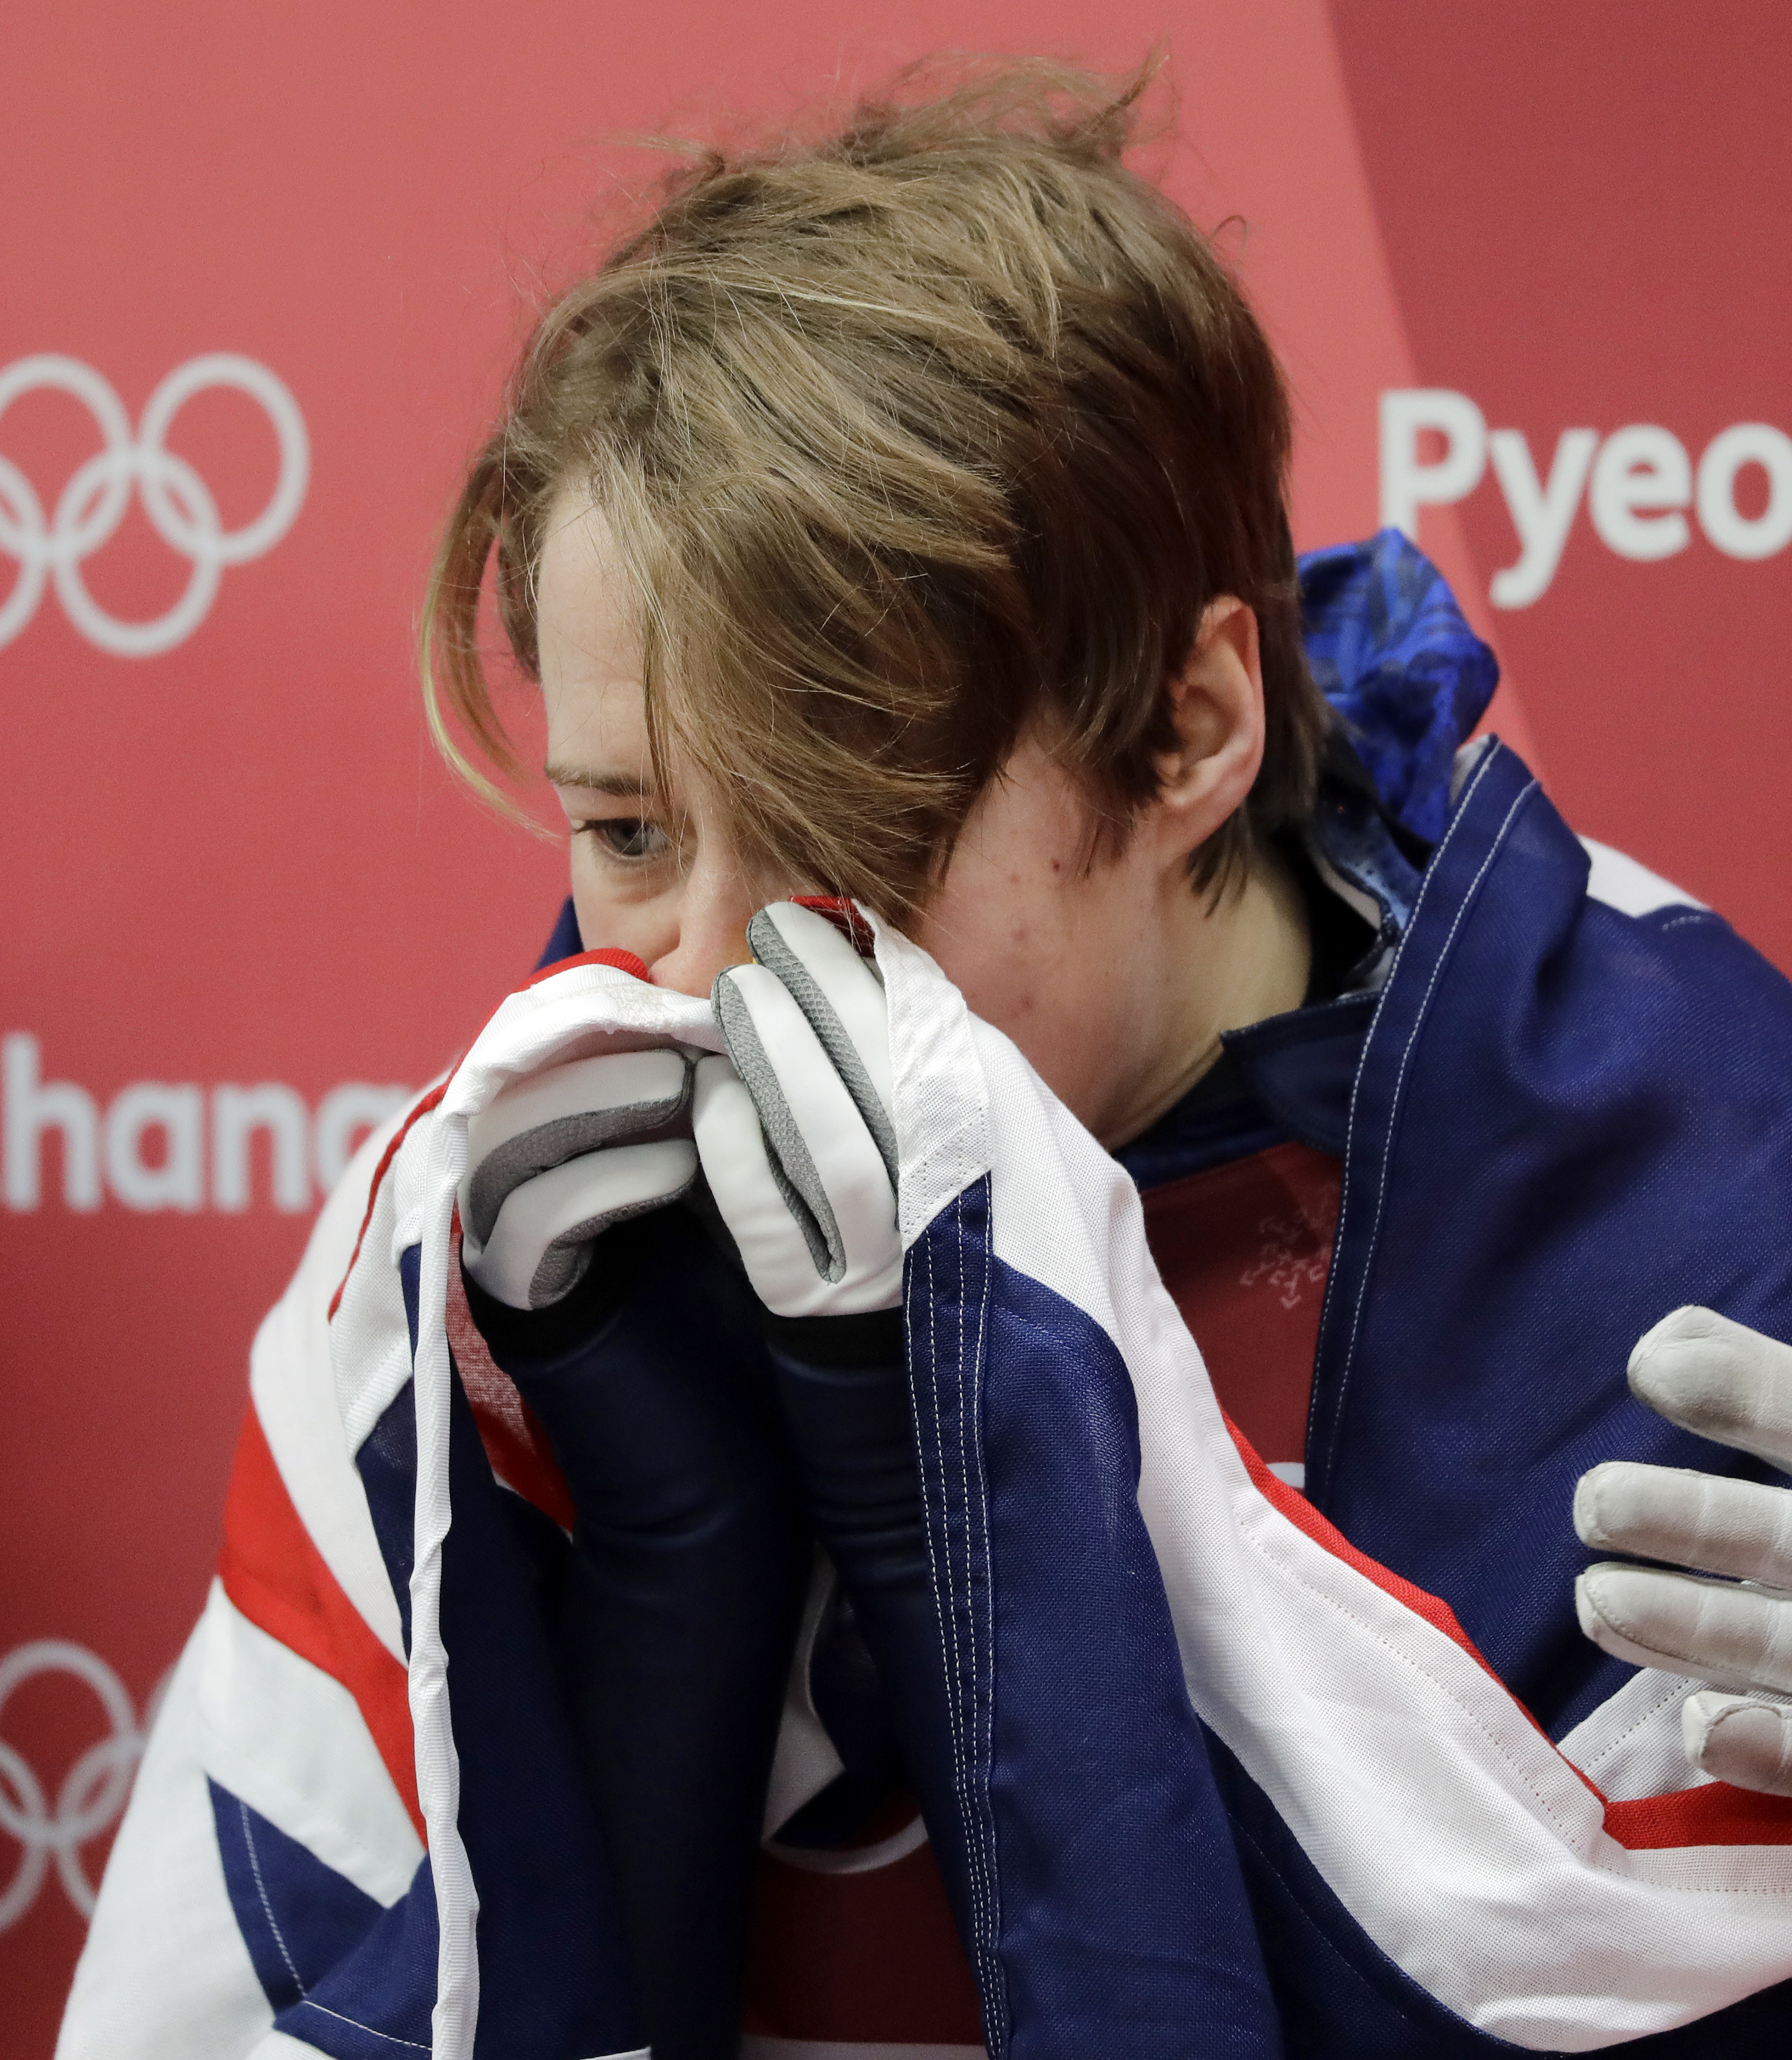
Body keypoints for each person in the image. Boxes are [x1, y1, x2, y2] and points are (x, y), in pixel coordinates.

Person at [58, 59, 1792, 2060]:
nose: (706, 969)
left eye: (845, 834)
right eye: (626, 829)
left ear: (1188, 728)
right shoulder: (486, 1290)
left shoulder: (1700, 1193)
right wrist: (661, 1584)